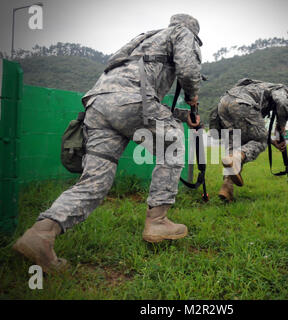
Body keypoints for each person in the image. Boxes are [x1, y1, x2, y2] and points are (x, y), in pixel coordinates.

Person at [13, 13, 203, 272]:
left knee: (95, 182)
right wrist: (192, 97)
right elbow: (189, 70)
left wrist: (181, 115)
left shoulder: (144, 40)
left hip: (98, 105)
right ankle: (158, 220)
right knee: (173, 145)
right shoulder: (182, 32)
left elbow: (143, 98)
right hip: (132, 100)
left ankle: (41, 233)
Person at [212, 78, 288, 202]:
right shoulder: (280, 88)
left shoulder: (253, 87)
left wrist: (272, 141)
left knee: (233, 151)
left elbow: (254, 132)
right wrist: (282, 124)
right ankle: (237, 158)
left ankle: (227, 187)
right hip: (242, 105)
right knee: (260, 142)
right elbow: (282, 101)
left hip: (223, 105)